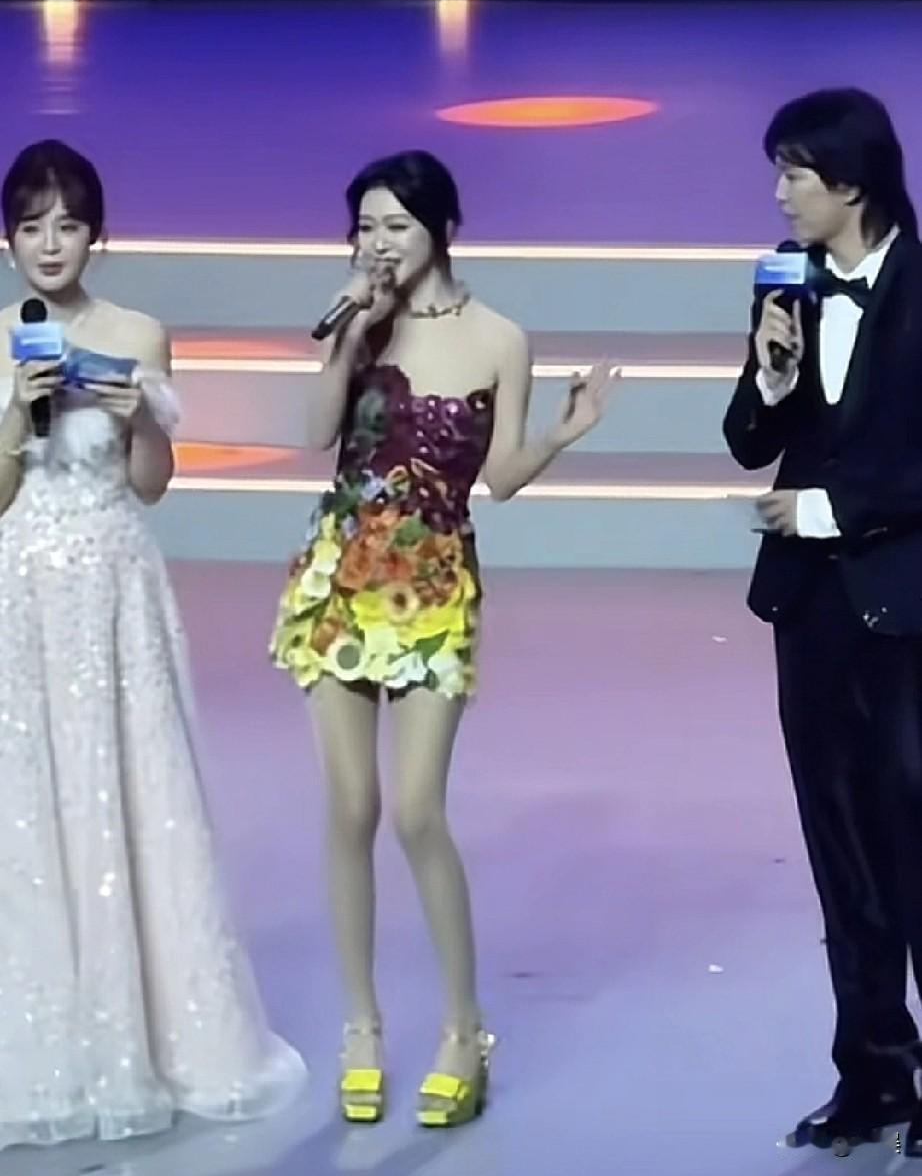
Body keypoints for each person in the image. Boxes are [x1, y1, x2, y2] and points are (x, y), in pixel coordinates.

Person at [271, 149, 613, 1127]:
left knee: (418, 809)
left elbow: (498, 476)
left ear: (443, 229)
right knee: (351, 805)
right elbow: (313, 433)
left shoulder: (501, 338)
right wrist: (350, 333)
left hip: (430, 585)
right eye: (365, 228)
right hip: (341, 576)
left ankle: (464, 1030)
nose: (378, 244)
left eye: (396, 226)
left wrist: (563, 432)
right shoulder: (362, 324)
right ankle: (361, 1027)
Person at [0, 140, 306, 1152]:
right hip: (21, 585)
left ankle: (153, 1035)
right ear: (9, 241)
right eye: (32, 226)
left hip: (115, 583)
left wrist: (142, 420)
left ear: (97, 233)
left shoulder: (137, 333)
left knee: (132, 789)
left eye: (68, 223)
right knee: (29, 802)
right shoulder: (0, 338)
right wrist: (16, 411)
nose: (51, 243)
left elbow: (151, 484)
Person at [723, 89, 922, 1157]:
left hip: (906, 609)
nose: (779, 194)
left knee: (915, 841)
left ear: (849, 181)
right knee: (839, 850)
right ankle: (874, 1075)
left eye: (793, 174)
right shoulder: (788, 285)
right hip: (810, 612)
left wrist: (830, 509)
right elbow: (749, 437)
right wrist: (772, 373)